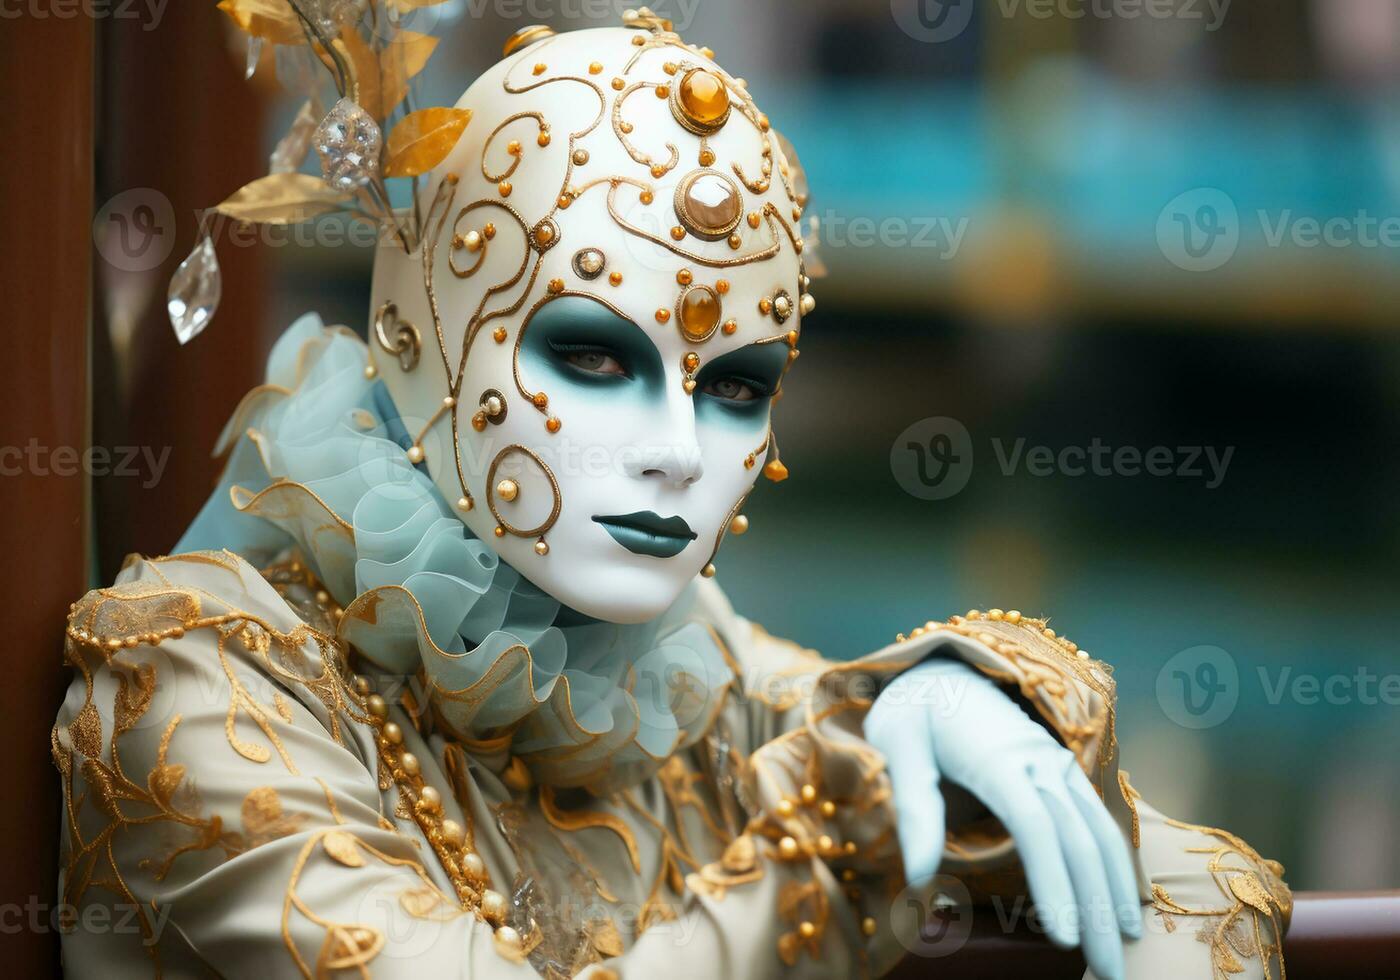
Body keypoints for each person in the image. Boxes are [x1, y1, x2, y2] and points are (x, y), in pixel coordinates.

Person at [52, 11, 1289, 979]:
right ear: (416, 337)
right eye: (592, 357)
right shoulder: (195, 695)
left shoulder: (670, 671)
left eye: (739, 386)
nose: (677, 453)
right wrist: (841, 840)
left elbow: (1175, 862)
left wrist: (957, 700)